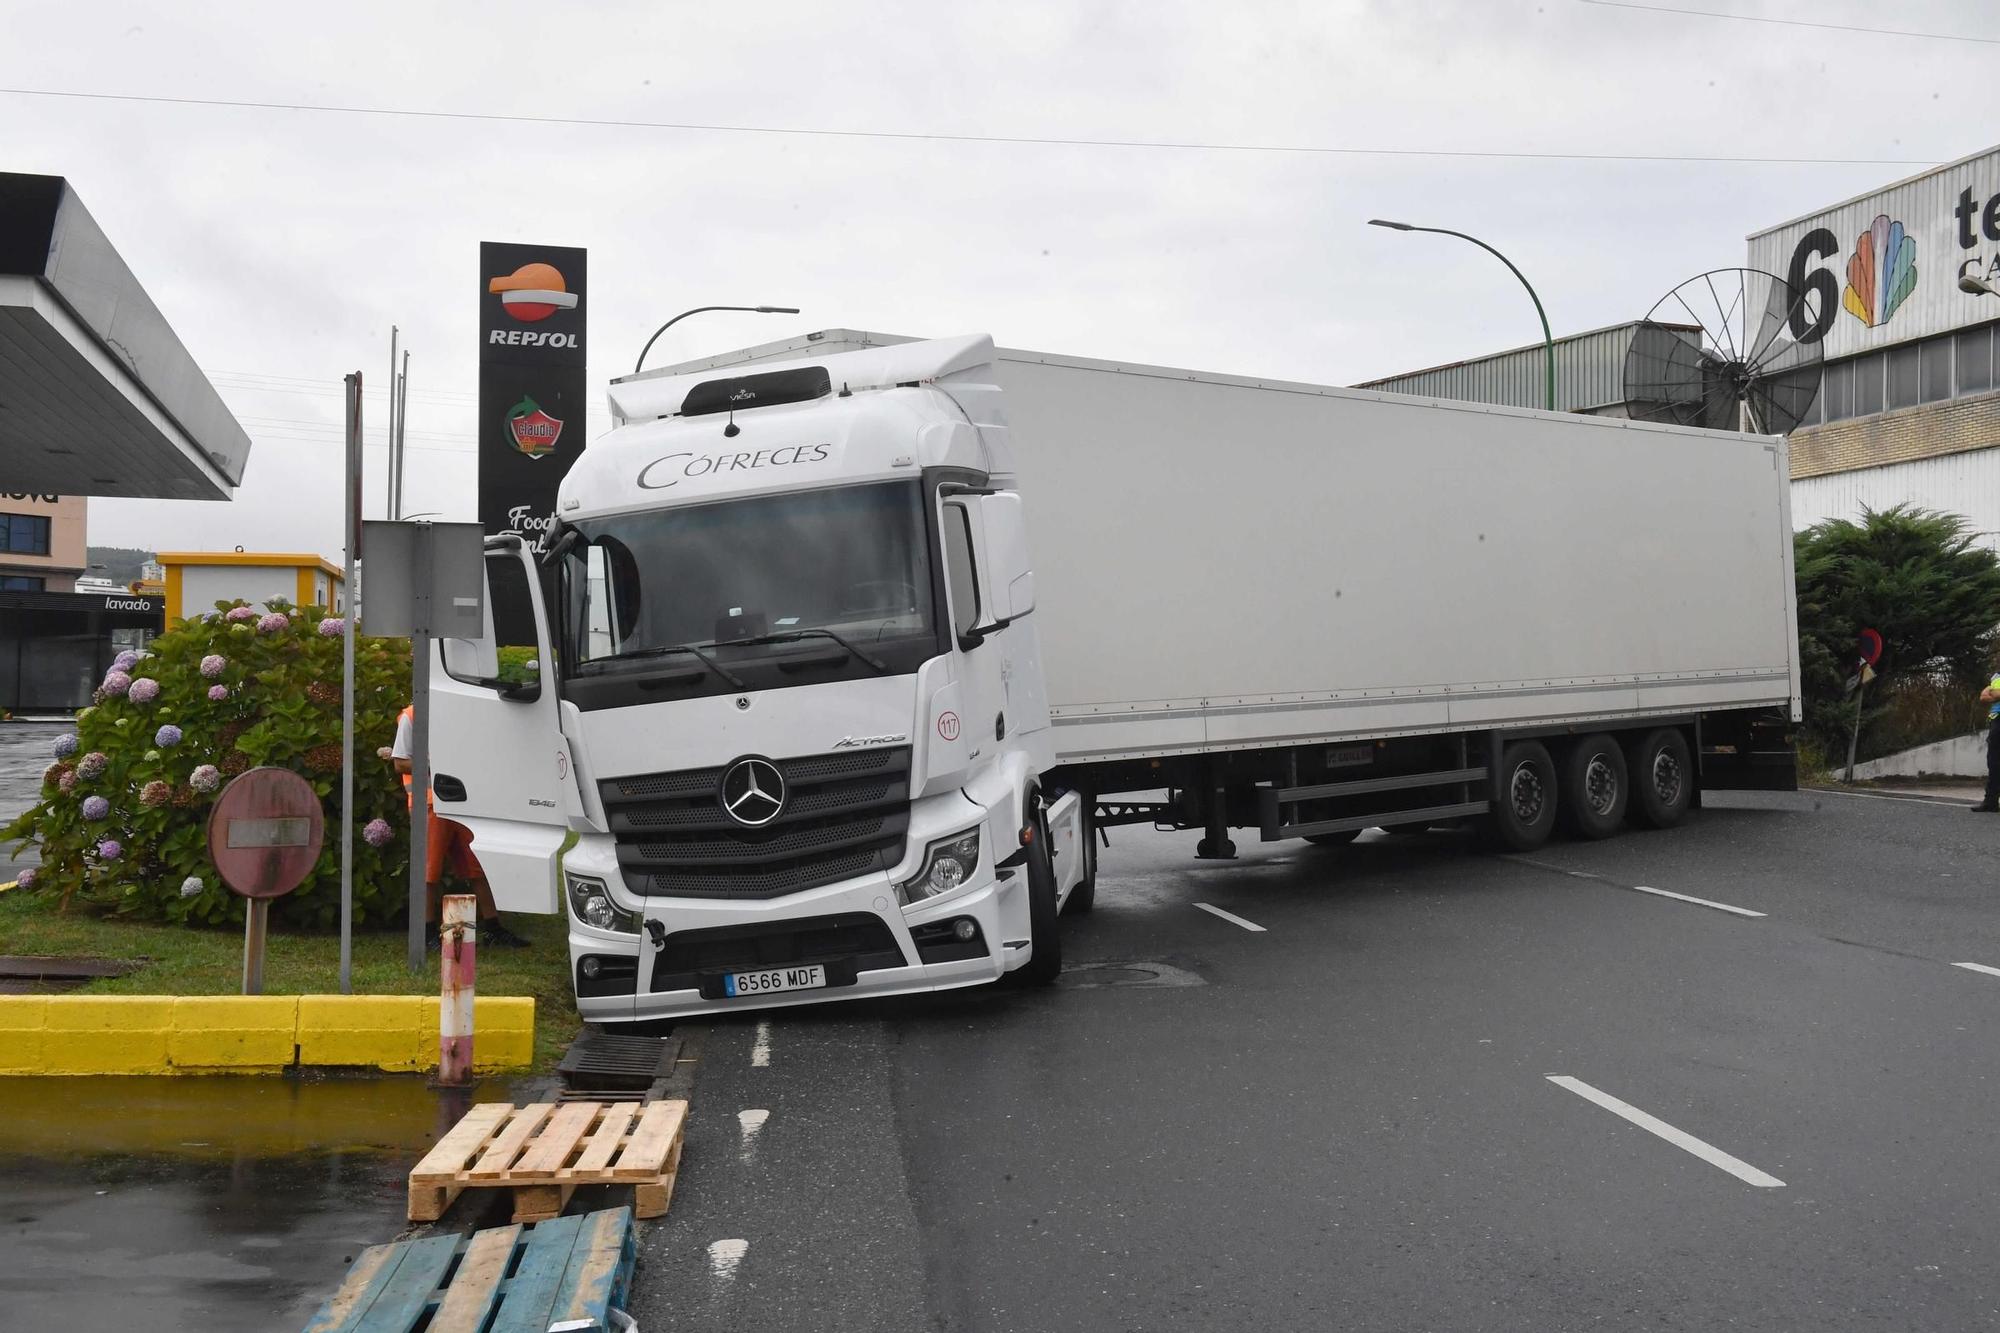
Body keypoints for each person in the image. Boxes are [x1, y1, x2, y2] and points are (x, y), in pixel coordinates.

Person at [387, 704, 529, 946]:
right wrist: (444, 767)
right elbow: (400, 763)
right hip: (430, 804)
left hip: (464, 803)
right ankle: (427, 934)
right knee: (428, 872)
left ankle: (494, 929)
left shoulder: (458, 709)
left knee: (478, 867)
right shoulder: (412, 716)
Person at [1977, 668, 2000, 814]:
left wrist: (1993, 692)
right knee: (1993, 763)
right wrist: (1993, 693)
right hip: (1996, 720)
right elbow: (1983, 697)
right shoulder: (1997, 676)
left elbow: (1995, 693)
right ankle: (1990, 802)